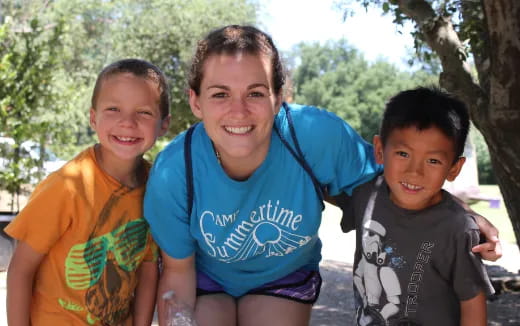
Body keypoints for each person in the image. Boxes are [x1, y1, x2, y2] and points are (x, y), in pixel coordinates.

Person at [143, 25, 500, 326]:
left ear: (279, 96)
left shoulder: (315, 136)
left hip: (281, 278)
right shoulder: (176, 170)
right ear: (195, 101)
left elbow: (399, 180)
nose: (238, 111)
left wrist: (461, 213)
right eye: (220, 94)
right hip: (206, 278)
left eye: (255, 92)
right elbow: (177, 270)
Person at [5, 58, 171, 325]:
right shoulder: (67, 185)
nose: (127, 122)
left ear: (164, 124)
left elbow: (148, 269)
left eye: (144, 112)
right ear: (93, 118)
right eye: (114, 109)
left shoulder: (157, 187)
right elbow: (21, 270)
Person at [339, 87, 494, 326]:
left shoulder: (458, 228)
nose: (415, 171)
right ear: (380, 151)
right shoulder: (365, 195)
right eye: (403, 154)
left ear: (454, 168)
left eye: (433, 160)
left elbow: (472, 301)